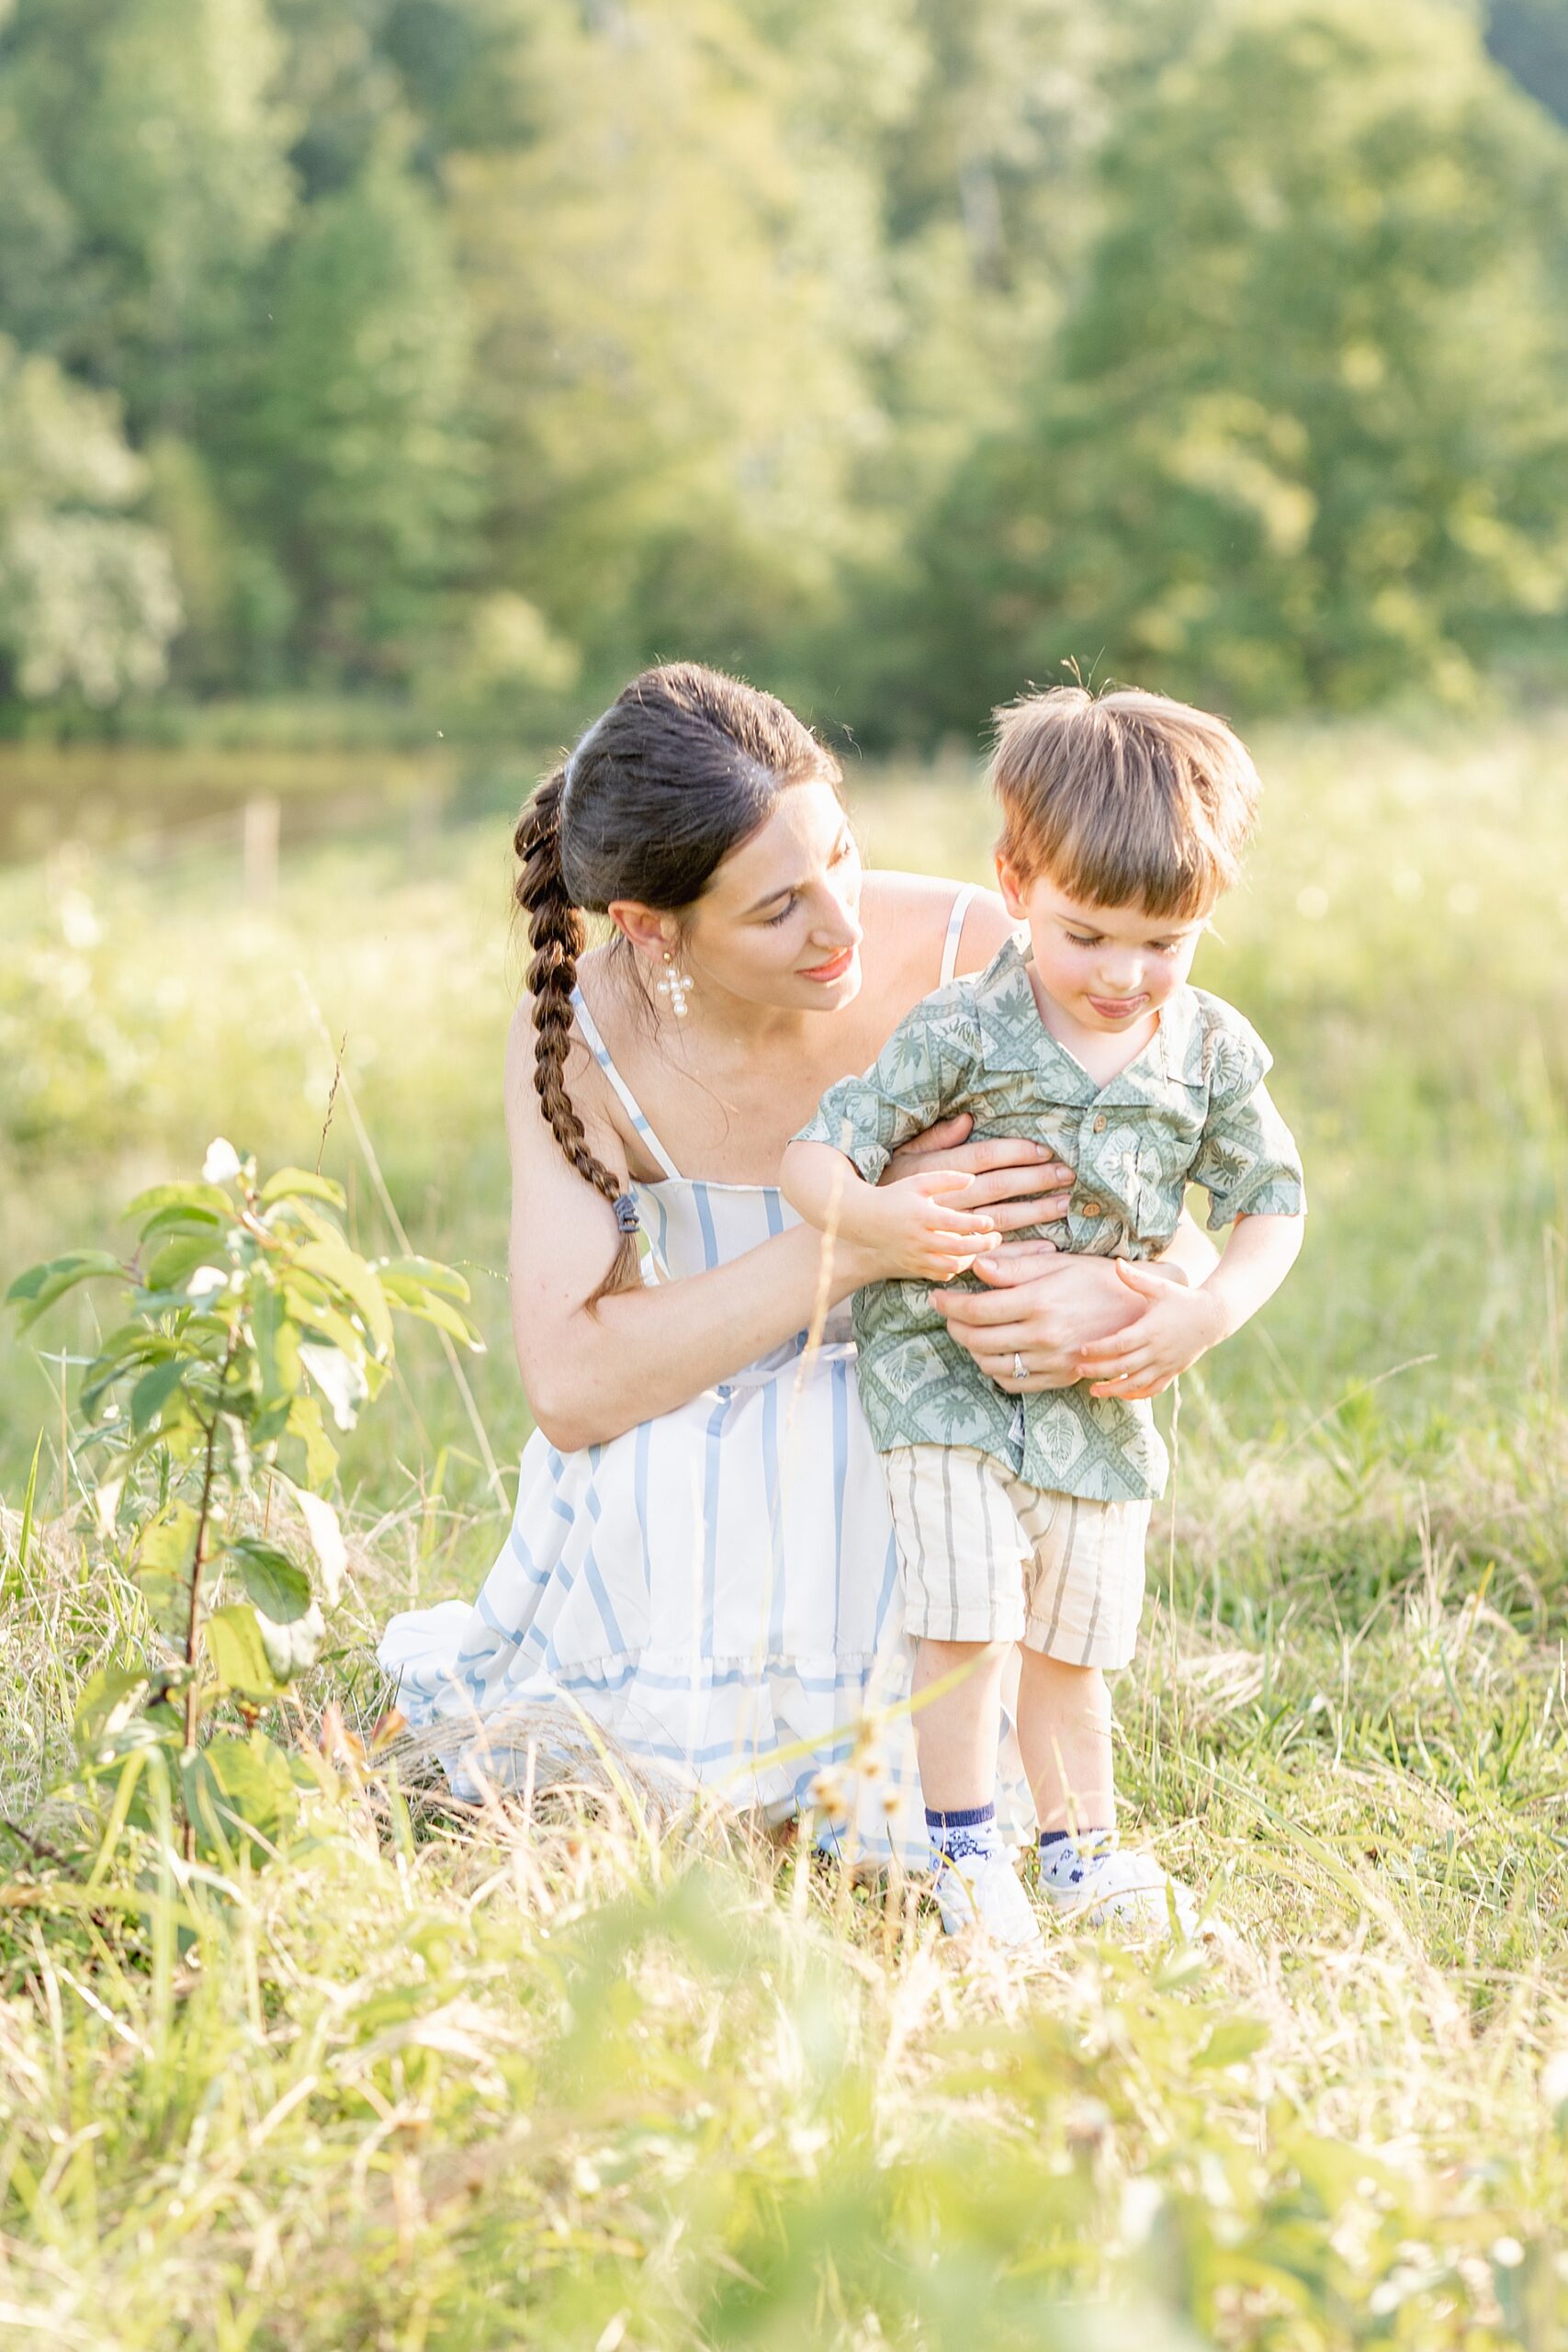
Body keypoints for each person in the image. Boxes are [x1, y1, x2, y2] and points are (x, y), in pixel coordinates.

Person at [378, 663, 1218, 1863]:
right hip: (706, 1409)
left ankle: (934, 1804)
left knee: (901, 1446)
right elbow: (571, 1387)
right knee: (702, 1468)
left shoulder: (985, 956)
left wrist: (1134, 1287)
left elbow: (1185, 1192)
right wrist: (850, 1245)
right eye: (777, 910)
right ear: (653, 928)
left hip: (943, 1409)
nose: (840, 924)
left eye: (842, 855)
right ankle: (745, 1788)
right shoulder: (580, 1034)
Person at [782, 685, 1306, 1945]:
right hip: (947, 1379)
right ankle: (968, 1854)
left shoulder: (1209, 1052)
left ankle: (1083, 1851)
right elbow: (818, 1154)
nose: (1126, 975)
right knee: (967, 1611)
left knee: (1078, 1641)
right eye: (1090, 936)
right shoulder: (964, 1029)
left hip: (1099, 1396)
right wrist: (885, 1226)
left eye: (1164, 943)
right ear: (1016, 884)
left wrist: (1206, 1311)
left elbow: (1273, 1201)